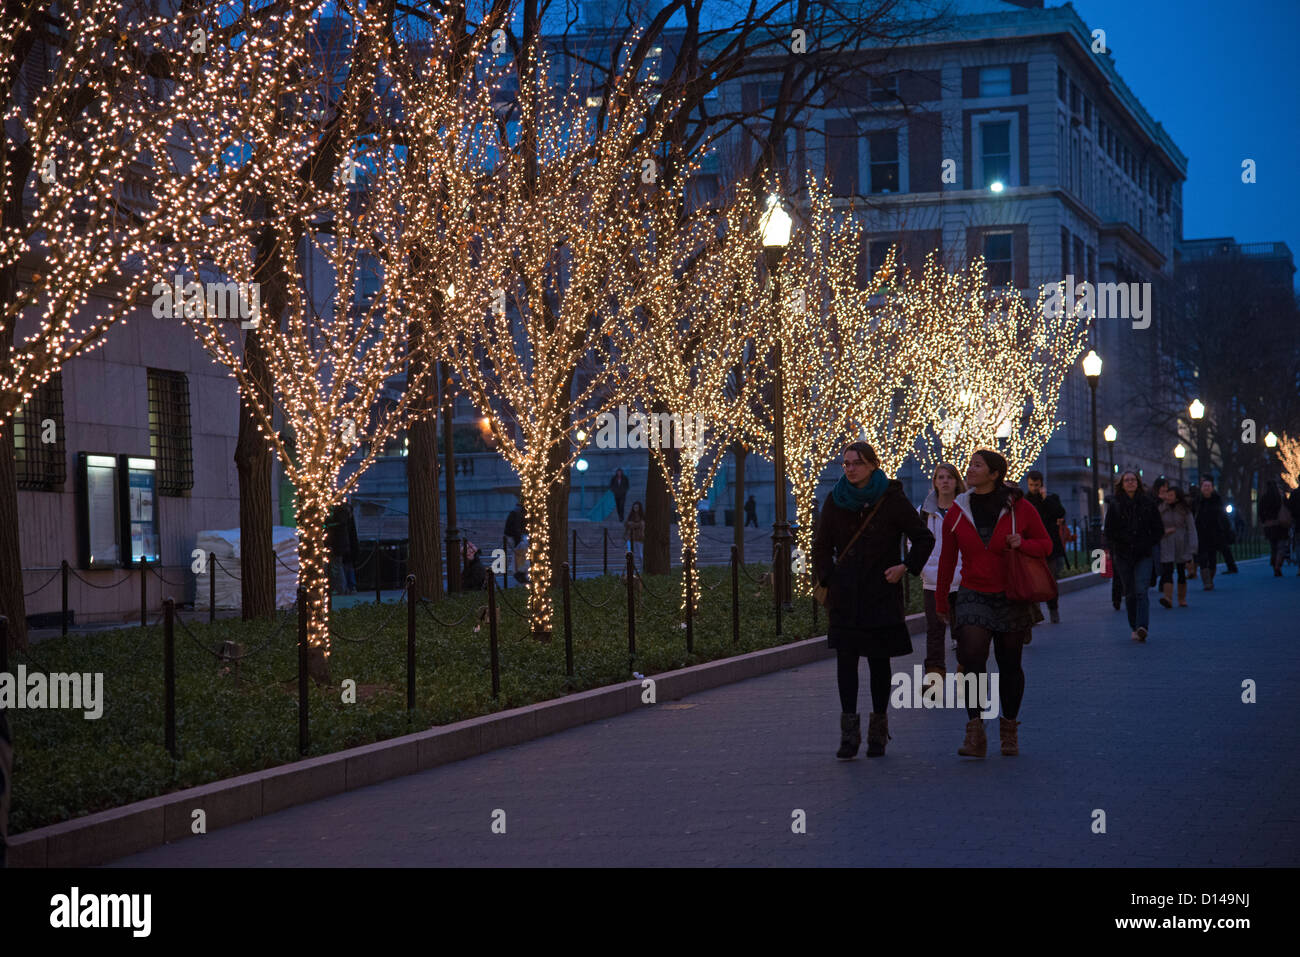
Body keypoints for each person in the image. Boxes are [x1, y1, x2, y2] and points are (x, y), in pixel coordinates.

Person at [813, 442, 933, 760]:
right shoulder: (836, 499)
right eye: (846, 463)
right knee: (846, 662)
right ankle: (849, 736)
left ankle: (878, 731)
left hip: (881, 593)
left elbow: (923, 537)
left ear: (872, 466)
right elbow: (821, 545)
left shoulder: (891, 498)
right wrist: (829, 578)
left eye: (857, 463)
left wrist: (905, 566)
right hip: (846, 596)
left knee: (880, 662)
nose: (850, 469)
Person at [935, 449, 1050, 758]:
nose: (969, 470)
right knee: (971, 657)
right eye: (970, 465)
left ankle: (1009, 728)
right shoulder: (958, 510)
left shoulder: (1019, 507)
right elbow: (947, 559)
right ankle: (975, 730)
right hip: (973, 591)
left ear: (994, 473)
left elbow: (1045, 544)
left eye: (977, 465)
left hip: (1010, 592)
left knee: (1009, 662)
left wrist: (1021, 543)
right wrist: (941, 600)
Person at [1103, 471, 1164, 642]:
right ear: (1121, 484)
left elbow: (1158, 528)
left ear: (1138, 482)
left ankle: (1142, 626)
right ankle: (1134, 626)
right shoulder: (1115, 504)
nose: (1130, 483)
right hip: (1123, 554)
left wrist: (1148, 542)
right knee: (1129, 592)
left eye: (1133, 480)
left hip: (1143, 553)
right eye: (1126, 480)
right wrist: (1115, 545)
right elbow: (1109, 530)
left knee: (1141, 590)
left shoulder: (1147, 503)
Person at [919, 463, 964, 682]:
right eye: (940, 477)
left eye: (949, 477)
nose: (945, 481)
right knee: (934, 630)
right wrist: (923, 567)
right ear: (935, 482)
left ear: (956, 481)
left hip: (962, 579)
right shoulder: (925, 512)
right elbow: (914, 542)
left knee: (963, 629)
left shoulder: (966, 509)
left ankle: (966, 670)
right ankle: (934, 675)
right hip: (933, 579)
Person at [1024, 470, 1067, 623]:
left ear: (1041, 484)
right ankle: (1035, 613)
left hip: (1050, 546)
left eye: (1036, 485)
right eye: (1031, 485)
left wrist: (1045, 499)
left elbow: (1060, 512)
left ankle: (1053, 609)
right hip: (1032, 546)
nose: (1034, 488)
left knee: (1051, 579)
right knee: (1033, 581)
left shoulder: (1050, 498)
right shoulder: (1025, 500)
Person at [1156, 484, 1197, 608]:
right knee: (1167, 571)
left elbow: (1191, 529)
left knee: (1180, 571)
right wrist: (1164, 531)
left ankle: (1181, 598)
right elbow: (1155, 527)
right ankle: (1168, 598)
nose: (1167, 497)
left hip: (1182, 544)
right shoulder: (1161, 509)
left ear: (1177, 497)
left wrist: (1193, 548)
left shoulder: (1185, 511)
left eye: (1171, 495)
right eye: (1167, 494)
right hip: (1166, 543)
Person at [1192, 477, 1232, 590]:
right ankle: (1207, 582)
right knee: (1203, 558)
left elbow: (1223, 517)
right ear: (1201, 488)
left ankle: (1210, 578)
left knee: (1212, 558)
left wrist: (1225, 530)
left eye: (1208, 486)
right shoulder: (1197, 501)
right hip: (1200, 533)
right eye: (1204, 486)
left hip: (1215, 533)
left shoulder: (1217, 500)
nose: (1206, 488)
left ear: (1212, 488)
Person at [328, 501, 360, 594]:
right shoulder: (347, 513)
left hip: (339, 544)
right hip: (348, 544)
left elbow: (338, 526)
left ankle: (341, 588)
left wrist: (328, 524)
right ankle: (350, 587)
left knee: (338, 566)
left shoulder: (340, 513)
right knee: (346, 566)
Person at [1259, 480, 1290, 577]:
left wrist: (1264, 520)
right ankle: (1278, 564)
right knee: (1281, 546)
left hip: (1269, 525)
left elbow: (1260, 511)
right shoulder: (1281, 497)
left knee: (1273, 547)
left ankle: (1274, 564)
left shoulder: (1264, 498)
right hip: (1281, 525)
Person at [505, 500, 528, 584]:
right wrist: (520, 536)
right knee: (521, 557)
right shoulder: (518, 513)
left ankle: (521, 573)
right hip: (519, 538)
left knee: (521, 557)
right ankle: (520, 574)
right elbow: (517, 527)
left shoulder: (515, 512)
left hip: (518, 537)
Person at [624, 501, 646, 570]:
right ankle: (630, 568)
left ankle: (642, 568)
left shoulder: (642, 516)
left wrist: (632, 524)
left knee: (640, 554)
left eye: (637, 507)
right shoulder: (631, 515)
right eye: (634, 507)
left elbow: (641, 524)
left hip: (639, 537)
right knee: (629, 553)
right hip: (630, 537)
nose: (635, 509)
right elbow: (627, 524)